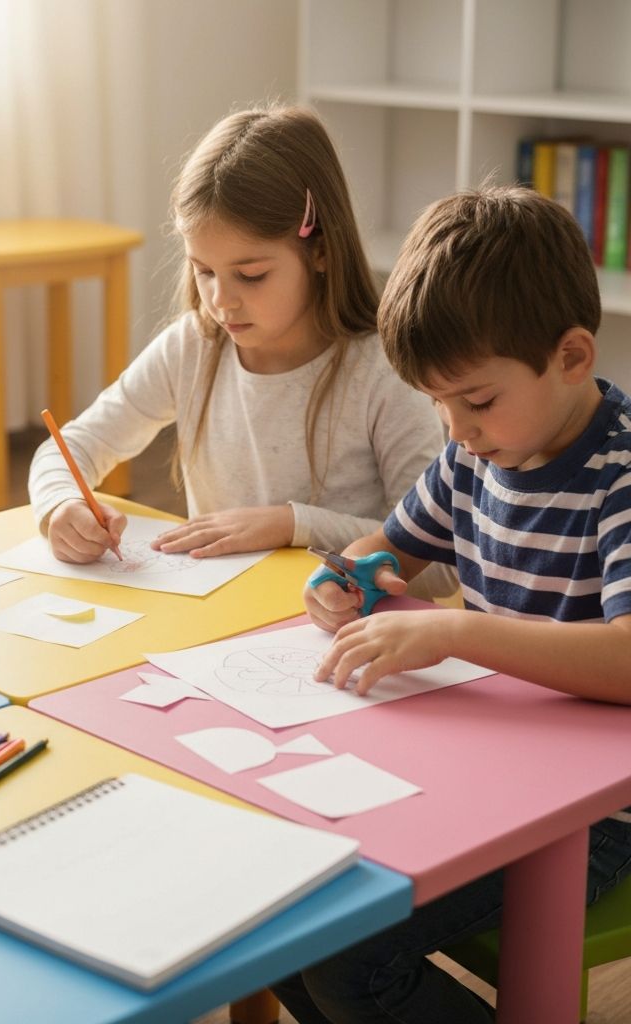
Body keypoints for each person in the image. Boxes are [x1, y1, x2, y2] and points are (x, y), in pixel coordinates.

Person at [281, 185, 631, 1023]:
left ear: (572, 356)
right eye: (437, 404)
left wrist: (462, 631)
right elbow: (389, 550)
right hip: (489, 769)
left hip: (598, 816)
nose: (456, 429)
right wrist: (342, 575)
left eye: (475, 400)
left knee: (347, 961)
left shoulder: (618, 476)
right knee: (283, 928)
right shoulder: (476, 455)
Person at [27, 104, 454, 598]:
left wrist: (293, 525)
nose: (221, 300)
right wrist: (60, 506)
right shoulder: (193, 346)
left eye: (251, 275)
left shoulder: (381, 371)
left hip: (345, 634)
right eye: (203, 270)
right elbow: (70, 446)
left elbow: (439, 565)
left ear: (320, 251)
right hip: (219, 624)